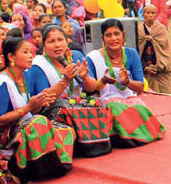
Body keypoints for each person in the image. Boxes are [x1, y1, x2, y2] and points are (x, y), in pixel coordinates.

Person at [0, 37, 74, 183]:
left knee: (63, 129)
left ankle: (55, 166)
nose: (30, 56)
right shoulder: (2, 82)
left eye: (31, 52)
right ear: (11, 57)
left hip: (26, 124)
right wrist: (29, 108)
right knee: (39, 122)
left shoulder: (26, 76)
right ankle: (29, 169)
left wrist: (38, 105)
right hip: (7, 134)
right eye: (26, 52)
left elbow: (33, 108)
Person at [26, 25, 112, 158]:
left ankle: (96, 144)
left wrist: (85, 77)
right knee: (66, 108)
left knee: (98, 103)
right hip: (52, 110)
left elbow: (92, 88)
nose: (57, 45)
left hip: (74, 103)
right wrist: (65, 80)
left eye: (60, 40)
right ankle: (81, 146)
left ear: (67, 41)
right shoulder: (38, 65)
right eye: (51, 41)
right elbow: (44, 98)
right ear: (44, 45)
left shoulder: (74, 57)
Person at [85, 18, 166, 147]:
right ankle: (129, 137)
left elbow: (140, 88)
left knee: (139, 108)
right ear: (102, 38)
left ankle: (134, 136)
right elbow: (90, 89)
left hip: (129, 98)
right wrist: (103, 81)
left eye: (117, 34)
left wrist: (127, 81)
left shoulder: (131, 54)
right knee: (117, 108)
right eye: (108, 35)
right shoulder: (93, 58)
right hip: (105, 102)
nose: (113, 38)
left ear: (123, 35)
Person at [137, 4, 171, 94]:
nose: (150, 15)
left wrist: (159, 66)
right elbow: (137, 51)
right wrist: (145, 67)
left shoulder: (161, 29)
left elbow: (166, 49)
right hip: (145, 70)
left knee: (166, 96)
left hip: (161, 71)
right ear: (143, 14)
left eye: (153, 13)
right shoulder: (138, 30)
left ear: (156, 14)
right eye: (148, 12)